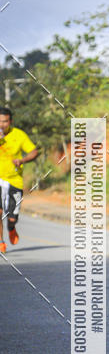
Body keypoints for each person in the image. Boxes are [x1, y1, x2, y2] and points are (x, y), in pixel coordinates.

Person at [0, 107, 39, 253]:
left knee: (12, 217)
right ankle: (1, 242)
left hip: (14, 181)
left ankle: (11, 227)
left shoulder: (19, 135)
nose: (1, 125)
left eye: (4, 122)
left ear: (10, 121)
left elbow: (34, 152)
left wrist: (22, 160)